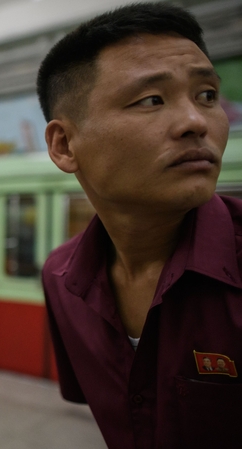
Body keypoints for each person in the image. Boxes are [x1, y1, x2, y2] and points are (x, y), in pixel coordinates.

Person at [38, 3, 241, 447]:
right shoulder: (61, 278)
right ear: (65, 144)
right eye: (152, 100)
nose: (195, 122)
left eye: (207, 95)